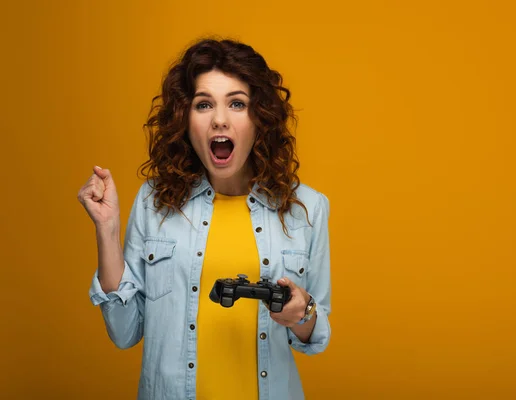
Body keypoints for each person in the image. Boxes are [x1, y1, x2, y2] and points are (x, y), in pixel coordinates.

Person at [76, 38, 332, 400]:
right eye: (204, 104)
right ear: (185, 118)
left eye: (237, 103)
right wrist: (107, 228)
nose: (220, 120)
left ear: (260, 118)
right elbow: (124, 332)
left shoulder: (307, 207)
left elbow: (315, 338)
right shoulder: (154, 202)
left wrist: (302, 312)